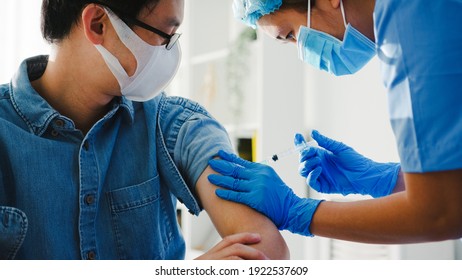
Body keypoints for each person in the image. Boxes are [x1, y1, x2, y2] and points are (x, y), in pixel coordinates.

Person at [0, 0, 289, 260]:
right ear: (98, 24)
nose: (170, 52)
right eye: (164, 35)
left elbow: (265, 253)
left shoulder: (170, 122)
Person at [208, 0, 462, 244]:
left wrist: (299, 213)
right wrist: (384, 178)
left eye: (289, 34)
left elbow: (441, 212)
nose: (300, 49)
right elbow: (451, 191)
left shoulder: (408, 21)